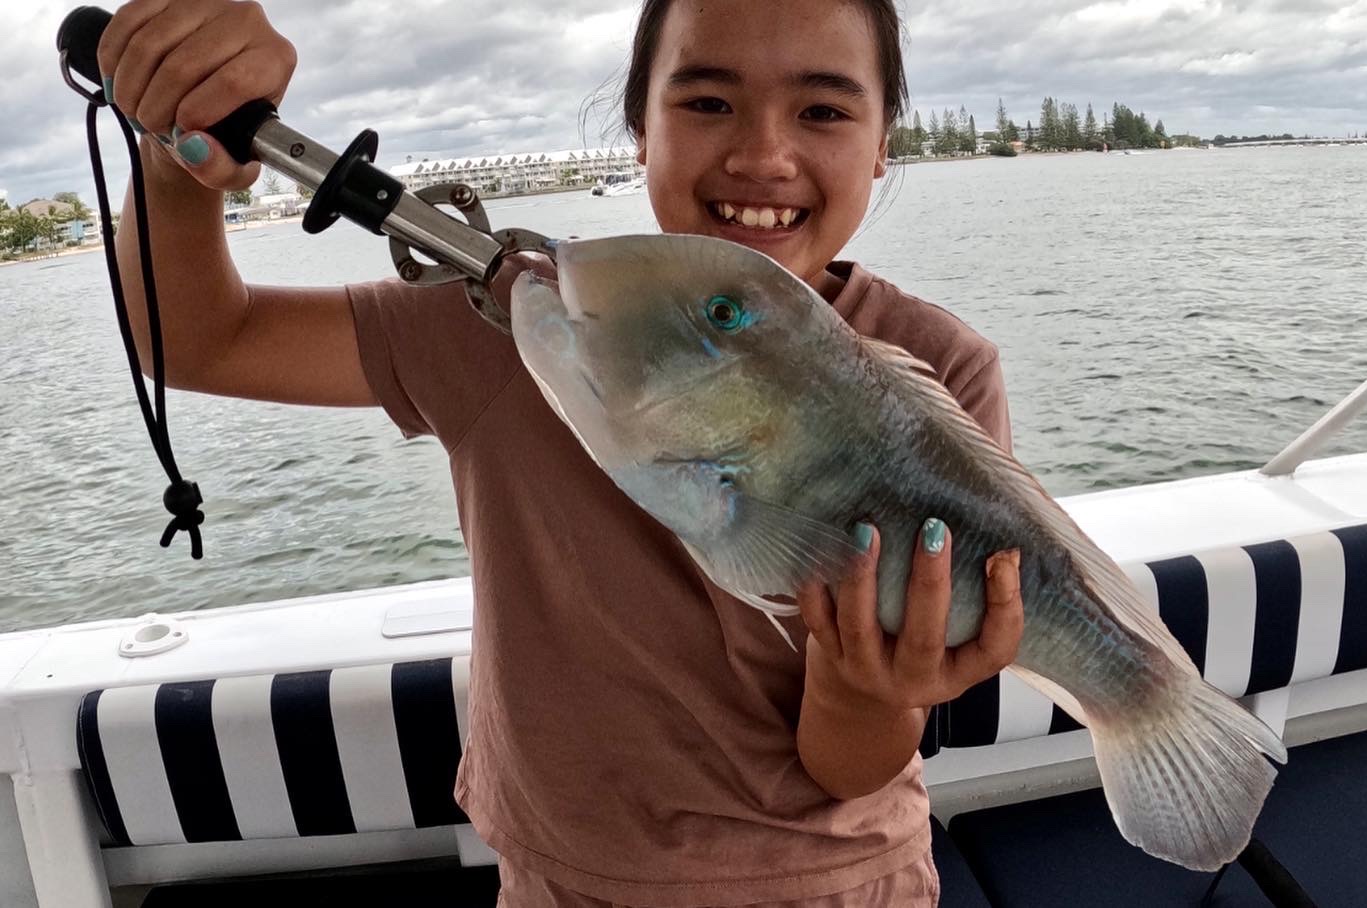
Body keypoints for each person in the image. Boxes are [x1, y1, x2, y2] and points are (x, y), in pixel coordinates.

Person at [98, 0, 1025, 904]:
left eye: (823, 109)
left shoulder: (940, 373)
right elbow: (199, 337)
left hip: (839, 883)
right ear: (639, 130)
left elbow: (846, 765)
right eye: (705, 102)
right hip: (558, 881)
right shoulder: (510, 316)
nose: (762, 155)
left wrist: (868, 690)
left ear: (882, 142)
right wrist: (181, 138)